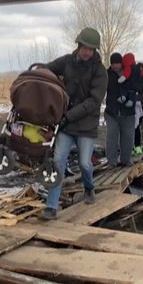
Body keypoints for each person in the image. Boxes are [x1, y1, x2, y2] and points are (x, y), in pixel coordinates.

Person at [38, 27, 107, 221]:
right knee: (58, 161)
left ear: (94, 51)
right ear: (78, 45)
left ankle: (89, 187)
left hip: (85, 124)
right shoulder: (67, 61)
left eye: (91, 49)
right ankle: (51, 207)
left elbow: (94, 101)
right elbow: (49, 67)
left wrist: (68, 116)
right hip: (66, 124)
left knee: (85, 163)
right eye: (84, 48)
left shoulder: (100, 71)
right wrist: (36, 71)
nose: (87, 52)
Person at [104, 53, 138, 167]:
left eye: (117, 63)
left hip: (128, 113)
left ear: (121, 63)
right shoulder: (107, 74)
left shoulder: (130, 72)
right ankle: (112, 161)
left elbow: (138, 85)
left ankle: (126, 159)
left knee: (128, 137)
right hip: (111, 112)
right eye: (113, 63)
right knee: (111, 136)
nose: (115, 66)